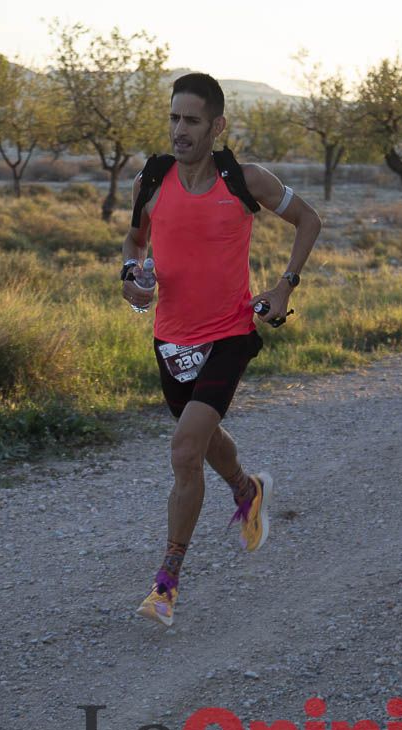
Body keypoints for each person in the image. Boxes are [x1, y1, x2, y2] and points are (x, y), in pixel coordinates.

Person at [122, 72, 322, 626]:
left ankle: (165, 585)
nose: (179, 130)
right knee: (203, 439)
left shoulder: (244, 180)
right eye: (173, 118)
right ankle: (247, 489)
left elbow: (308, 219)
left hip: (230, 334)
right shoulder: (150, 180)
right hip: (170, 339)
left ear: (217, 126)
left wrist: (285, 286)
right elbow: (135, 242)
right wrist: (131, 276)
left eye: (191, 120)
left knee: (185, 449)